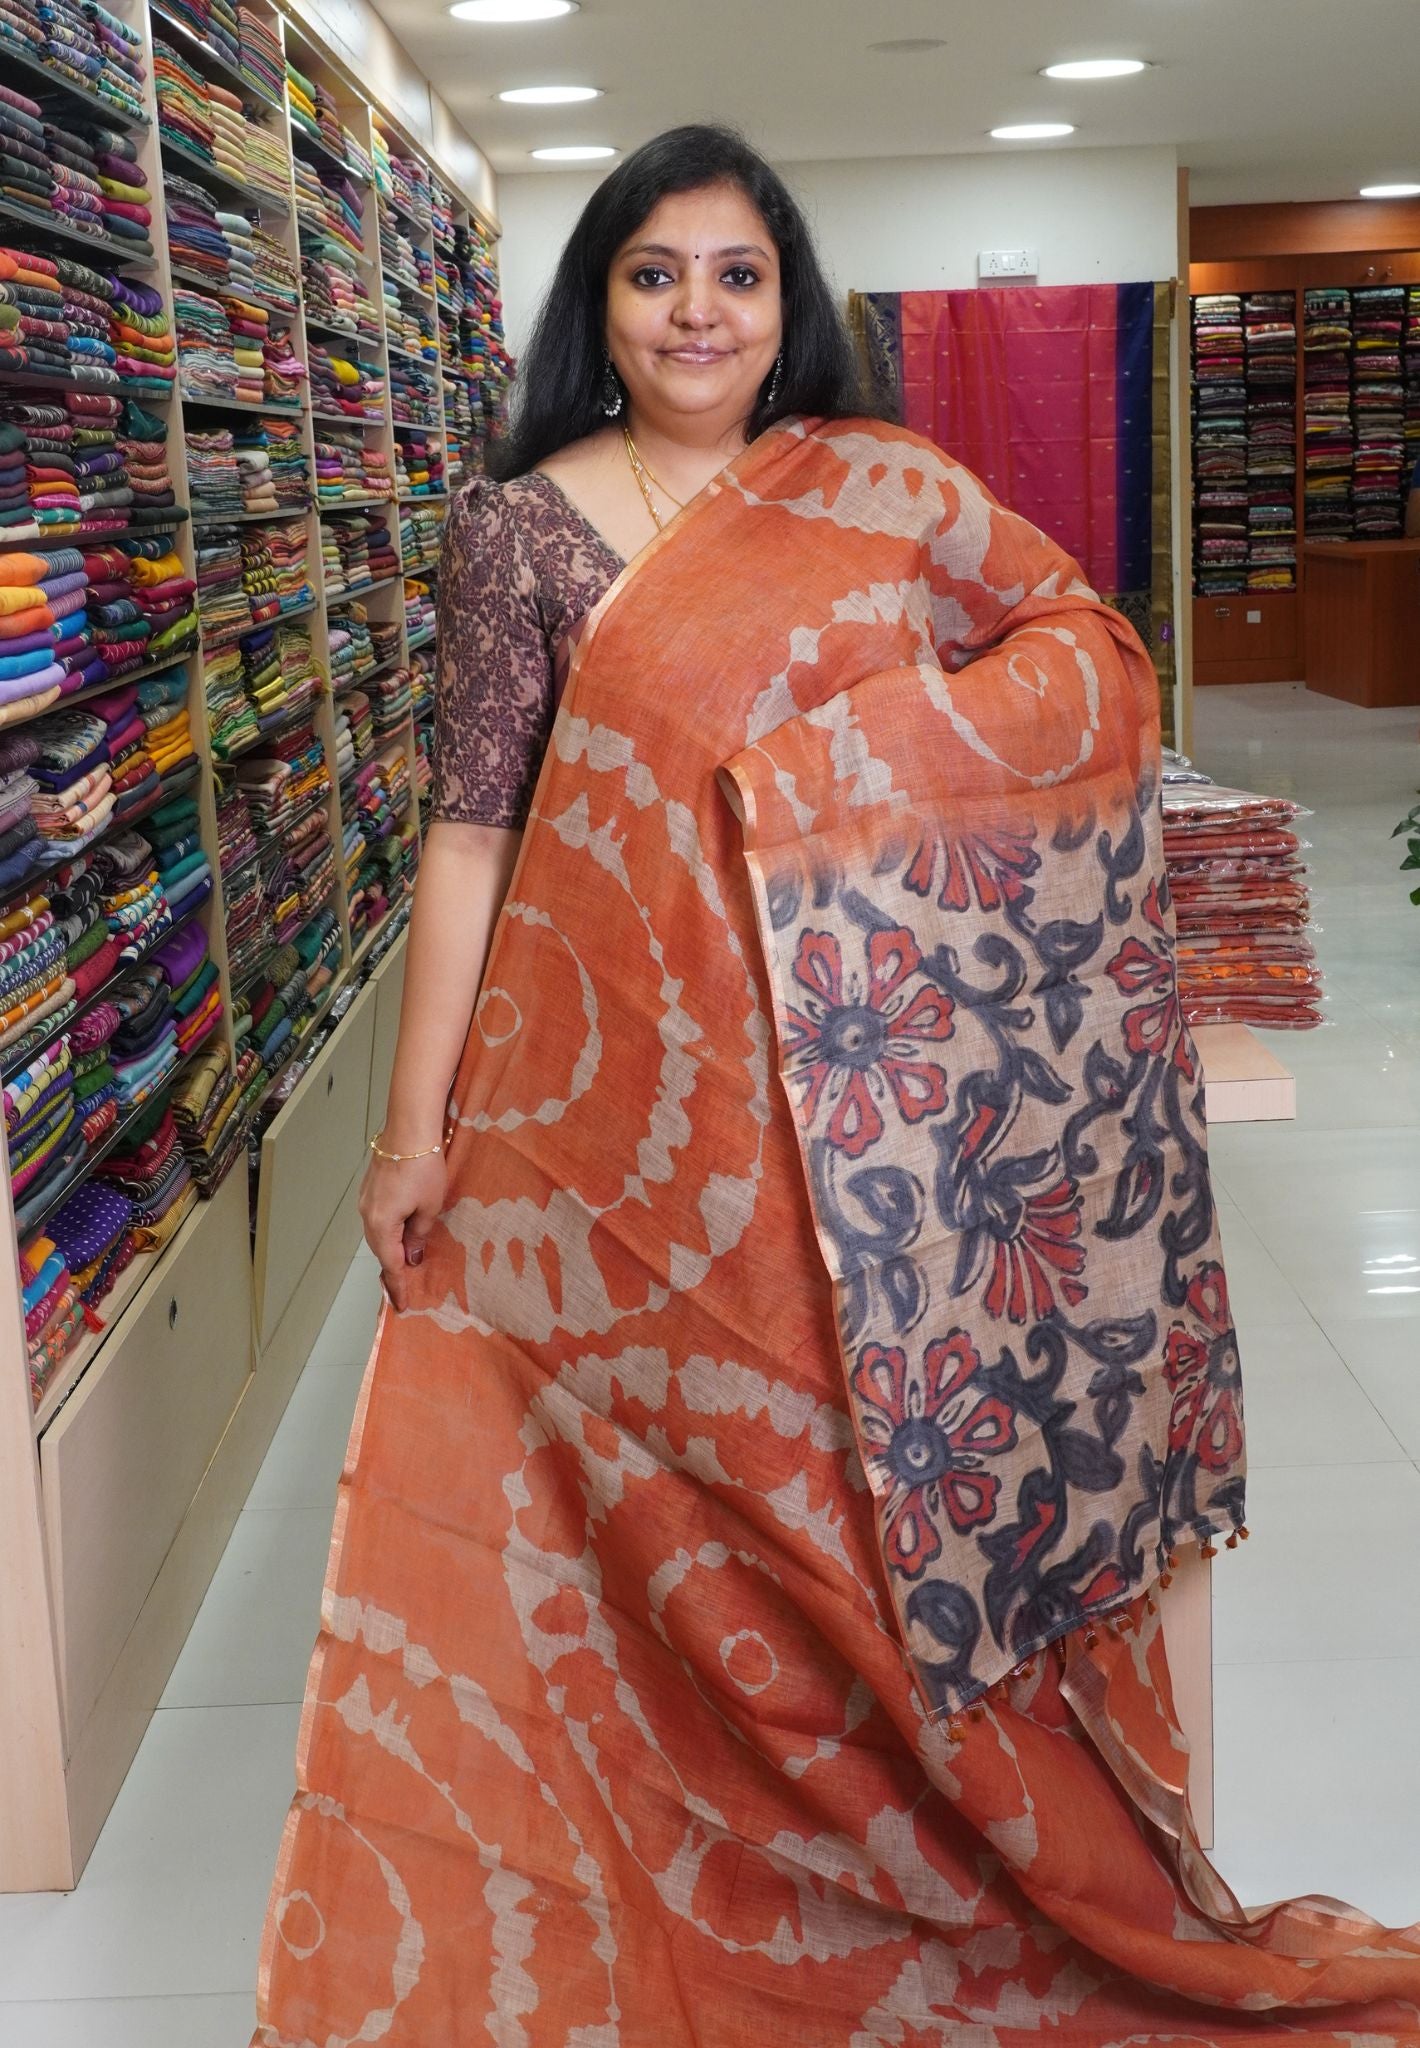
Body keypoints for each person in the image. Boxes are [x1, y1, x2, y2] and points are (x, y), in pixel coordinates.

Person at [251, 127, 1420, 2045]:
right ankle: (676, 1887)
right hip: (617, 1131)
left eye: (735, 274)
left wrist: (859, 756)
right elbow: (470, 841)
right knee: (668, 1533)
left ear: (791, 306)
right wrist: (413, 1134)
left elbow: (1090, 658)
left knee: (866, 1522)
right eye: (652, 273)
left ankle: (941, 1882)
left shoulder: (883, 499)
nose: (694, 312)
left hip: (874, 1128)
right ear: (598, 307)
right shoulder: (522, 533)